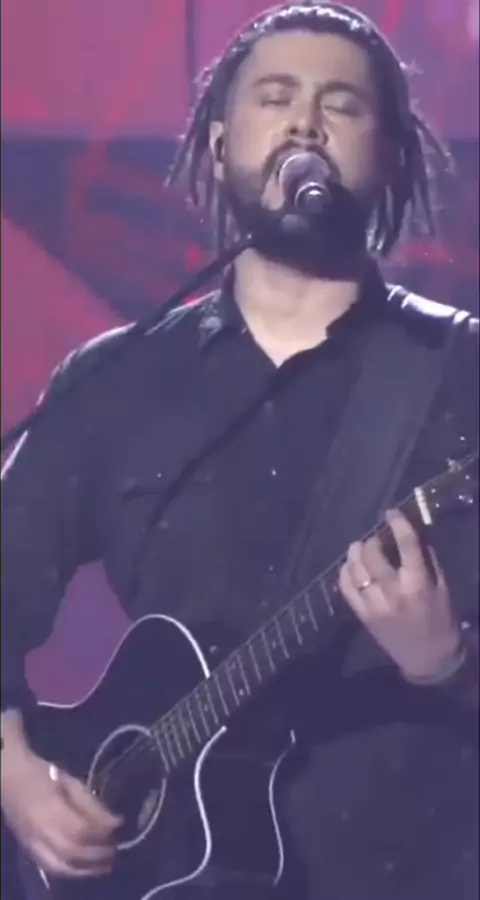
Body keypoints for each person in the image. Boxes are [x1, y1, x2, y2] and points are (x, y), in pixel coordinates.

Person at [1, 4, 478, 899]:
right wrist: (14, 774)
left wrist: (449, 664)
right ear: (220, 146)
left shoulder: (461, 373)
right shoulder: (116, 378)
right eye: (276, 97)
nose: (305, 123)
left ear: (391, 154)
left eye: (341, 104)